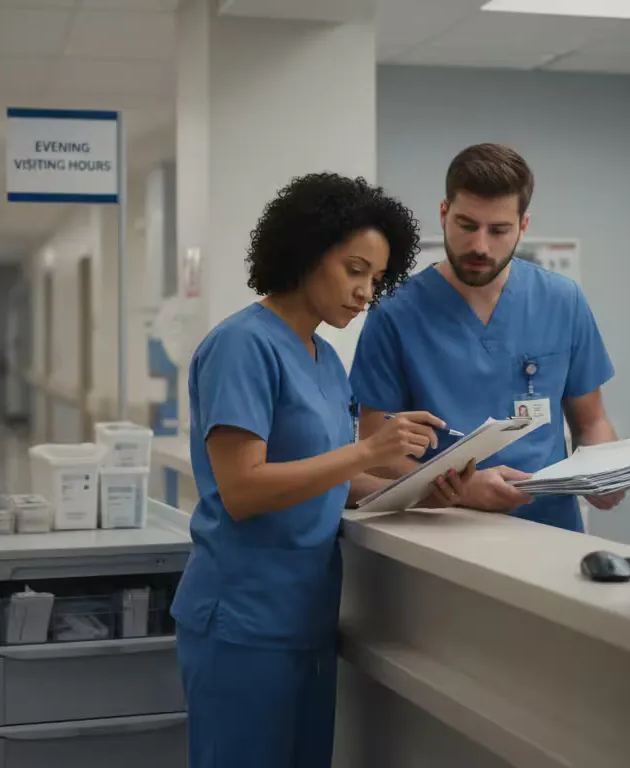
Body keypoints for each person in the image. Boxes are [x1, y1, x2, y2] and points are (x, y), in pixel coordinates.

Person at [170, 172, 473, 768]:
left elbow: (331, 477)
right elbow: (243, 489)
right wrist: (369, 451)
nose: (366, 293)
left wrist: (418, 490)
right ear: (307, 251)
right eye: (354, 270)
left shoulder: (327, 359)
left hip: (306, 616)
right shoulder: (242, 347)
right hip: (241, 621)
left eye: (378, 279)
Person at [351, 143, 622, 532]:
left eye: (498, 230)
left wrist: (604, 470)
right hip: (442, 533)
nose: (480, 245)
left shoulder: (562, 301)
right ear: (444, 214)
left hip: (552, 531)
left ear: (522, 227)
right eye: (467, 225)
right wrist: (458, 489)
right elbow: (376, 451)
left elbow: (592, 421)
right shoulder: (394, 314)